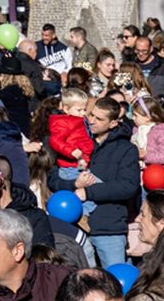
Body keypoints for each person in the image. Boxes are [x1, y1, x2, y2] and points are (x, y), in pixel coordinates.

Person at [48, 96, 140, 269]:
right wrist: (74, 185)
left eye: (99, 119)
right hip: (73, 227)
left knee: (116, 283)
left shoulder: (126, 149)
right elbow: (53, 178)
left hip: (108, 228)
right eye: (90, 115)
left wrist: (89, 192)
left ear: (113, 124)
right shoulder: (76, 139)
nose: (91, 121)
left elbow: (128, 186)